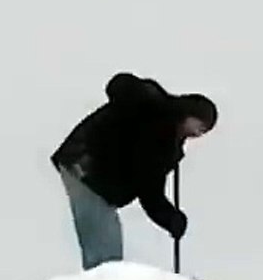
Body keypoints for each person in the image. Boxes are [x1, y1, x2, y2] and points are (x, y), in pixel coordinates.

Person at [51, 72, 218, 270]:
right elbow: (148, 188)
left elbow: (148, 185)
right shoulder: (156, 118)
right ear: (190, 114)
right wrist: (169, 217)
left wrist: (170, 217)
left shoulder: (165, 135)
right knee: (105, 249)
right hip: (84, 166)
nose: (199, 134)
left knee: (107, 243)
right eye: (201, 126)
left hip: (92, 174)